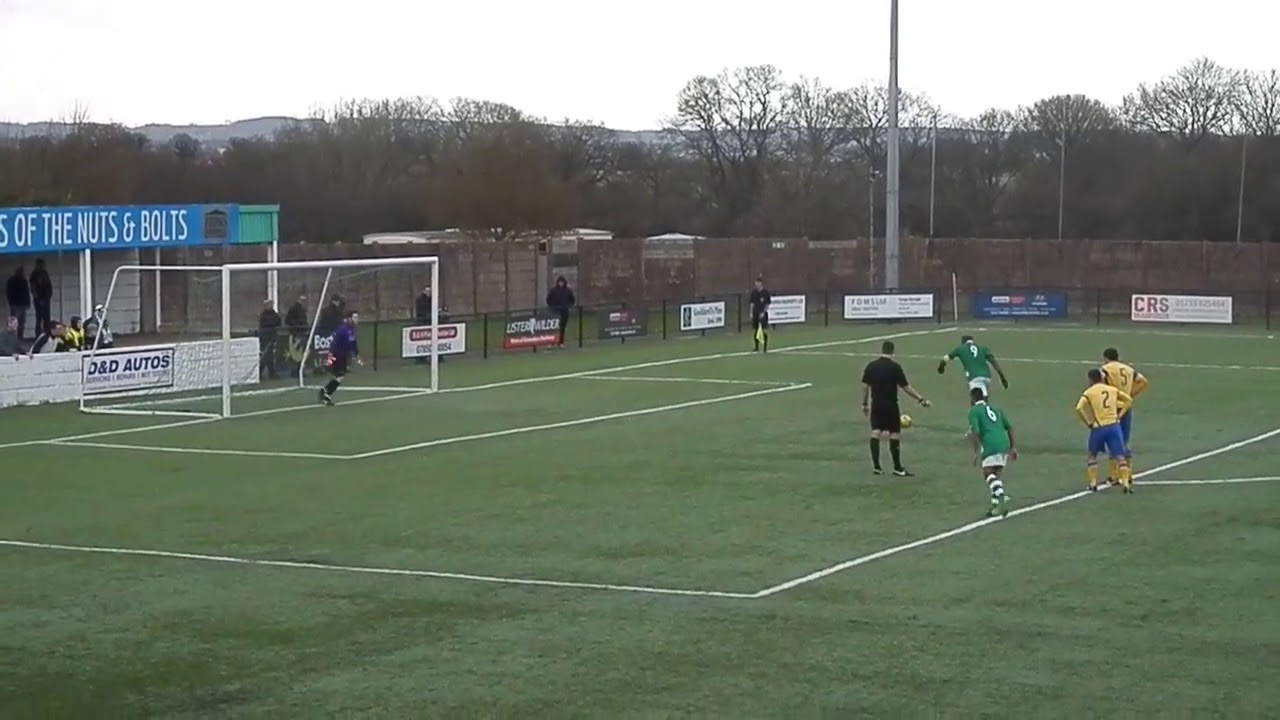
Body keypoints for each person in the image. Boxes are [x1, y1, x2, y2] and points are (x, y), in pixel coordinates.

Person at [861, 340, 932, 476]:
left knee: (875, 432)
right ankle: (897, 468)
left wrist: (864, 404)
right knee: (894, 434)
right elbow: (906, 387)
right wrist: (920, 399)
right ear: (892, 351)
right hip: (891, 405)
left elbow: (865, 386)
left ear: (882, 350)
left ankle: (876, 466)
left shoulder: (871, 366)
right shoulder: (895, 367)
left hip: (876, 404)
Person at [1075, 368, 1133, 493]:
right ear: (1102, 378)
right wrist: (1120, 415)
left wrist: (1088, 423)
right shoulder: (1112, 390)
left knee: (1092, 455)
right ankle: (1126, 484)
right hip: (1114, 426)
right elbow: (1129, 400)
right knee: (1120, 456)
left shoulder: (1089, 392)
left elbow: (1079, 408)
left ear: (1090, 379)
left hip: (1098, 428)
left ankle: (1093, 483)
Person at [966, 387, 1017, 517]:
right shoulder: (996, 409)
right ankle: (995, 506)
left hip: (990, 444)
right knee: (996, 475)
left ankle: (1001, 497)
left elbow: (976, 431)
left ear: (972, 398)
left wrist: (976, 452)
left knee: (987, 473)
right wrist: (1012, 447)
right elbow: (1009, 427)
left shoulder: (974, 411)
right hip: (1003, 443)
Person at [1100, 348, 1149, 482]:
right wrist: (1130, 394)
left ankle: (1114, 475)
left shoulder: (1105, 369)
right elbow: (1143, 381)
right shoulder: (1128, 369)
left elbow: (1101, 385)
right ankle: (1128, 474)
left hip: (1113, 407)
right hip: (1126, 406)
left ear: (1105, 358)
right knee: (1124, 439)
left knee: (1112, 438)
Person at [938, 334, 1008, 397]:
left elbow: (945, 359)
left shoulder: (960, 348)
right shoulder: (983, 348)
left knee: (977, 400)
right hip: (987, 377)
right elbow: (995, 364)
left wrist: (941, 367)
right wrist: (1003, 378)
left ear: (963, 342)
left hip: (974, 377)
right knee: (982, 397)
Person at [319, 309, 361, 406]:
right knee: (339, 376)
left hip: (342, 356)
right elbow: (335, 345)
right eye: (355, 317)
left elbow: (353, 343)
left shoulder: (350, 329)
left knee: (339, 376)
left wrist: (356, 355)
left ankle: (325, 392)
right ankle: (326, 393)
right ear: (349, 318)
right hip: (337, 355)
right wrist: (331, 358)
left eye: (357, 317)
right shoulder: (343, 330)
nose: (357, 319)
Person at [545, 276, 575, 347]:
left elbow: (572, 300)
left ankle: (561, 342)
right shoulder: (553, 290)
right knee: (554, 328)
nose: (561, 284)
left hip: (564, 312)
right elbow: (548, 299)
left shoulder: (568, 290)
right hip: (555, 312)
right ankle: (551, 342)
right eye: (559, 282)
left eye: (562, 282)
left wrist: (568, 306)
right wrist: (552, 306)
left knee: (562, 327)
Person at [258, 300, 282, 380]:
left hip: (272, 336)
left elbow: (278, 321)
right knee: (265, 356)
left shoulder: (273, 313)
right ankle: (260, 372)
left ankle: (272, 373)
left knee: (270, 356)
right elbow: (266, 324)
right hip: (265, 337)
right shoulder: (264, 315)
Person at [28, 259, 53, 337]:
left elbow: (48, 285)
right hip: (39, 299)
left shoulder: (44, 273)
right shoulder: (34, 274)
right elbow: (33, 288)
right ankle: (38, 335)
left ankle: (47, 334)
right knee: (39, 318)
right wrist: (38, 298)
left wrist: (48, 296)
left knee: (47, 318)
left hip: (46, 298)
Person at [6, 266, 30, 340]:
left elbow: (26, 292)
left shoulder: (24, 280)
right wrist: (11, 303)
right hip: (15, 304)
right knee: (13, 323)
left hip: (23, 304)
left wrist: (27, 303)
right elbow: (9, 292)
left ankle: (20, 337)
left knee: (22, 322)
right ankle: (12, 338)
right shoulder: (11, 281)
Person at [748, 276, 771, 352]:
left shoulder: (765, 292)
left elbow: (767, 304)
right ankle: (756, 347)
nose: (757, 284)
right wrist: (751, 312)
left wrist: (763, 312)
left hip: (762, 314)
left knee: (764, 330)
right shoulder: (754, 292)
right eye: (756, 283)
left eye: (758, 283)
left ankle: (765, 347)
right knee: (756, 330)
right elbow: (752, 303)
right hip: (755, 313)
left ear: (761, 283)